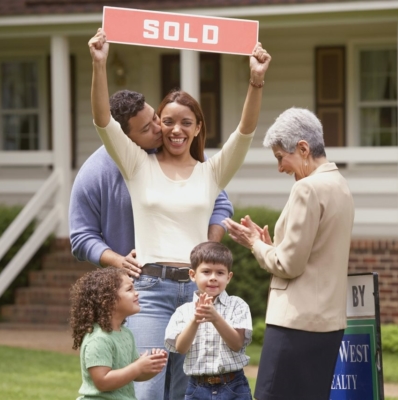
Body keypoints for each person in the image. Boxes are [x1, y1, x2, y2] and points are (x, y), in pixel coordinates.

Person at [89, 28, 270, 400]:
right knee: (150, 392)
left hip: (196, 293)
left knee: (184, 392)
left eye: (186, 122)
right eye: (167, 120)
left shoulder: (212, 173)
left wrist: (255, 82)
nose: (175, 129)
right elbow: (104, 121)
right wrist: (99, 63)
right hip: (151, 293)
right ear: (159, 123)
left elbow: (246, 131)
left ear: (198, 128)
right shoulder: (137, 165)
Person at [223, 107, 355, 400]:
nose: (280, 167)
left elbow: (289, 265)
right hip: (329, 325)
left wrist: (254, 244)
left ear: (304, 148)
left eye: (281, 157)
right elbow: (316, 252)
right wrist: (271, 245)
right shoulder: (340, 185)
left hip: (295, 324)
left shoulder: (307, 189)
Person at [69, 88, 233, 272]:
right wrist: (119, 260)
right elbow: (81, 237)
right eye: (146, 128)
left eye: (155, 117)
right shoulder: (93, 174)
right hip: (130, 285)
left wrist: (207, 247)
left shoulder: (179, 148)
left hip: (190, 277)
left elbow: (221, 204)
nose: (159, 129)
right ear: (124, 138)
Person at [164, 241, 253, 400]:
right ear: (192, 275)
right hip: (197, 388)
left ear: (229, 277)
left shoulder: (237, 305)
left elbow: (237, 343)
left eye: (220, 273)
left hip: (234, 386)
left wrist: (215, 318)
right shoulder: (183, 311)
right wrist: (195, 320)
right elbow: (181, 348)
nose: (213, 278)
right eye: (206, 272)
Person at [69, 267, 168, 400]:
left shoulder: (126, 333)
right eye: (129, 289)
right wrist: (138, 367)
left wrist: (151, 365)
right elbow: (102, 382)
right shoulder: (99, 339)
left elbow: (134, 375)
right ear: (108, 300)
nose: (136, 293)